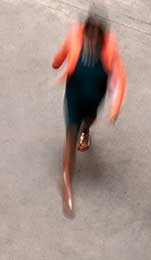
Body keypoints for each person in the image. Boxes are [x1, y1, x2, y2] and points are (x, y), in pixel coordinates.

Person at [51, 12, 125, 218]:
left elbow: (119, 79)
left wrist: (114, 108)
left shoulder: (110, 51)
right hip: (74, 97)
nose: (91, 37)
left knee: (89, 120)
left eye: (95, 33)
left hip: (94, 98)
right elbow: (63, 52)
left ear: (102, 34)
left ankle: (86, 130)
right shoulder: (75, 39)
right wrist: (56, 63)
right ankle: (66, 180)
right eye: (88, 32)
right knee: (70, 135)